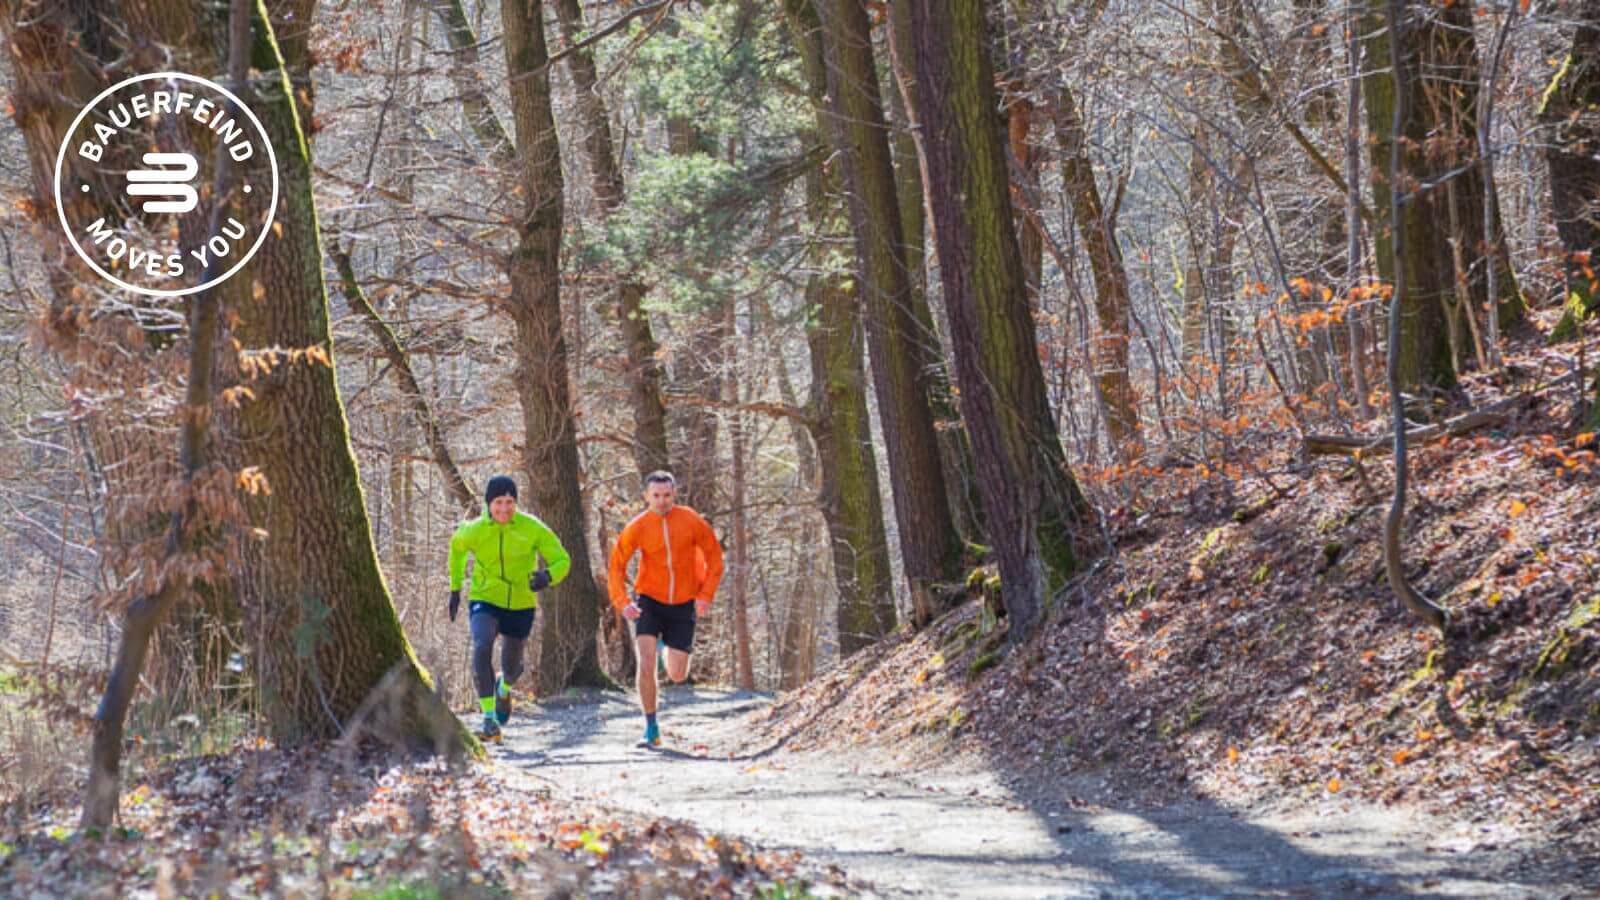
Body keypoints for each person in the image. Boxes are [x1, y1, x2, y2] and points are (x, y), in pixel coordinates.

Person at [448, 474, 570, 741]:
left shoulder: (531, 528)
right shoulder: (475, 530)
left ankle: (505, 687)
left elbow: (563, 559)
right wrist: (455, 587)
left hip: (520, 602)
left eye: (509, 502)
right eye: (498, 502)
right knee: (482, 646)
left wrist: (547, 576)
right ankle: (489, 718)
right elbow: (456, 548)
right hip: (485, 597)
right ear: (488, 503)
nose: (504, 509)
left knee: (512, 667)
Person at [607, 470, 724, 746]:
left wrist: (705, 594)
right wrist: (622, 602)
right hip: (650, 600)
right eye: (656, 496)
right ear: (646, 496)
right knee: (645, 664)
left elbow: (716, 559)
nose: (662, 501)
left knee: (677, 674)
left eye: (667, 495)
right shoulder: (638, 526)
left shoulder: (691, 520)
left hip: (684, 603)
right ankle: (651, 727)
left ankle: (663, 649)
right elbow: (616, 565)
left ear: (675, 495)